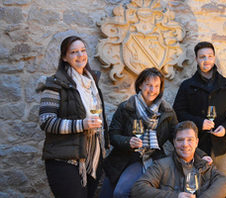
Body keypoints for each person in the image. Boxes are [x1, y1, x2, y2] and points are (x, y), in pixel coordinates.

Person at [99, 68, 210, 198]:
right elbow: (113, 135)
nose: (152, 90)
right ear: (140, 85)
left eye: (156, 86)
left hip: (147, 158)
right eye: (149, 85)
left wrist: (200, 155)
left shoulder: (167, 111)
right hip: (121, 157)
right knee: (105, 194)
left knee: (120, 192)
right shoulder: (126, 107)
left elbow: (180, 137)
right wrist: (127, 141)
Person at [36, 36, 109, 198]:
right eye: (74, 52)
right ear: (64, 57)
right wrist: (81, 124)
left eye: (83, 50)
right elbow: (46, 121)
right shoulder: (54, 84)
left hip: (92, 159)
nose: (80, 55)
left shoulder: (92, 84)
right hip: (64, 160)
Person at [173, 41, 226, 175]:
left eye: (210, 56)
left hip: (222, 146)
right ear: (196, 59)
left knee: (220, 184)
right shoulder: (187, 86)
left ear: (214, 57)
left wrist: (225, 128)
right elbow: (178, 113)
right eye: (202, 57)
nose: (207, 60)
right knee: (197, 185)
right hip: (196, 148)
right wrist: (199, 123)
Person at [131, 121, 226, 198]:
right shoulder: (162, 165)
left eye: (189, 140)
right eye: (180, 140)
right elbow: (138, 189)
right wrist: (176, 196)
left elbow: (224, 181)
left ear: (196, 142)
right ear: (174, 142)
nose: (185, 144)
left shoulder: (204, 164)